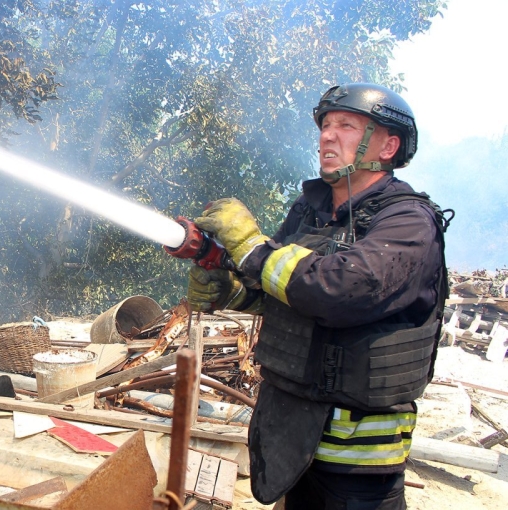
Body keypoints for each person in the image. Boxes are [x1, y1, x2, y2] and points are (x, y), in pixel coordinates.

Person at [186, 83, 450, 509]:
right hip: (290, 443)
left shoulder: (408, 222)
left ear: (389, 146)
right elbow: (290, 295)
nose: (327, 135)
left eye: (346, 125)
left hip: (358, 467)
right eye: (326, 126)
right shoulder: (310, 212)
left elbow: (341, 291)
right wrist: (234, 292)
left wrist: (253, 248)